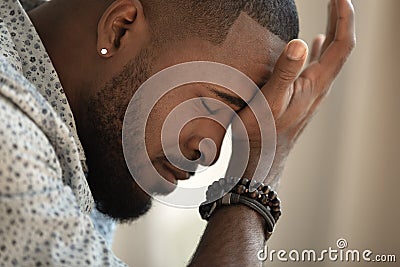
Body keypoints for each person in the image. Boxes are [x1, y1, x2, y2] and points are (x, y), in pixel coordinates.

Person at [0, 0, 355, 266]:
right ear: (120, 29)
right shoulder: (8, 134)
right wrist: (259, 177)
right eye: (213, 106)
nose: (211, 151)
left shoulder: (77, 130)